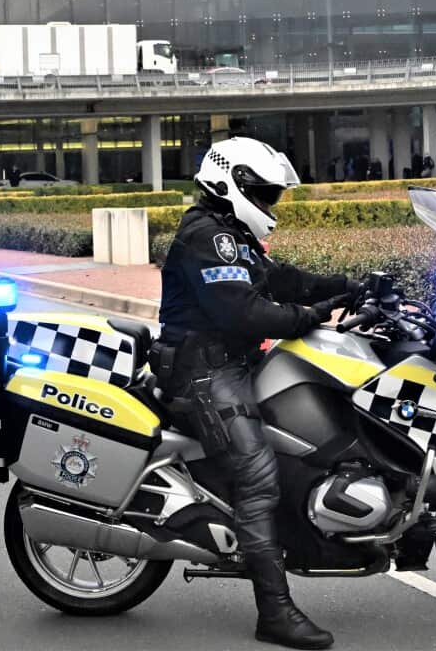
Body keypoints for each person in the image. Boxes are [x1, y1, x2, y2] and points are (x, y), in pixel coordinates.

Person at [154, 137, 357, 650]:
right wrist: (308, 317)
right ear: (232, 184)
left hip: (234, 361)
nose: (270, 203)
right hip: (205, 372)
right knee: (258, 475)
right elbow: (242, 311)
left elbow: (277, 278)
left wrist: (343, 285)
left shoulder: (231, 234)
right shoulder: (206, 236)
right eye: (263, 192)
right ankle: (275, 612)